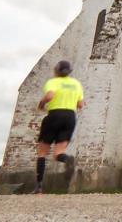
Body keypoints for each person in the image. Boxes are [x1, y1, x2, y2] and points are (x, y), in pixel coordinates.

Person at [33, 60, 85, 194]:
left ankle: (39, 187)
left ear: (56, 70)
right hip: (70, 117)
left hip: (54, 115)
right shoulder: (76, 84)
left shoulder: (53, 82)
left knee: (42, 153)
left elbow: (50, 96)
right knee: (58, 153)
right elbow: (80, 104)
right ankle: (67, 160)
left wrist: (42, 103)